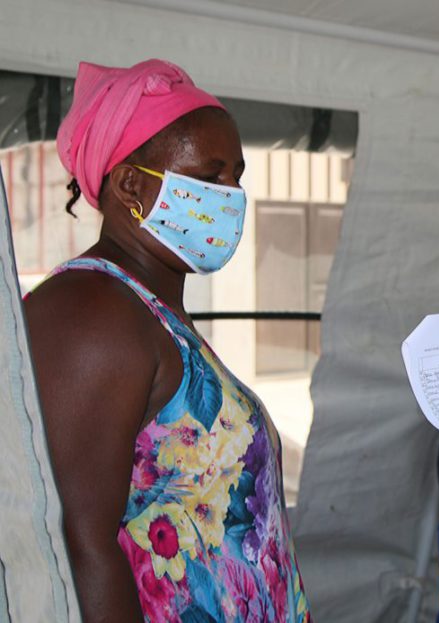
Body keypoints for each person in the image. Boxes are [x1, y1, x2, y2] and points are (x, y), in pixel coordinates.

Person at [23, 60, 310, 622]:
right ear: (130, 184)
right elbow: (78, 546)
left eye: (235, 177)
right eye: (209, 177)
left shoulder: (151, 308)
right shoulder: (91, 313)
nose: (231, 196)